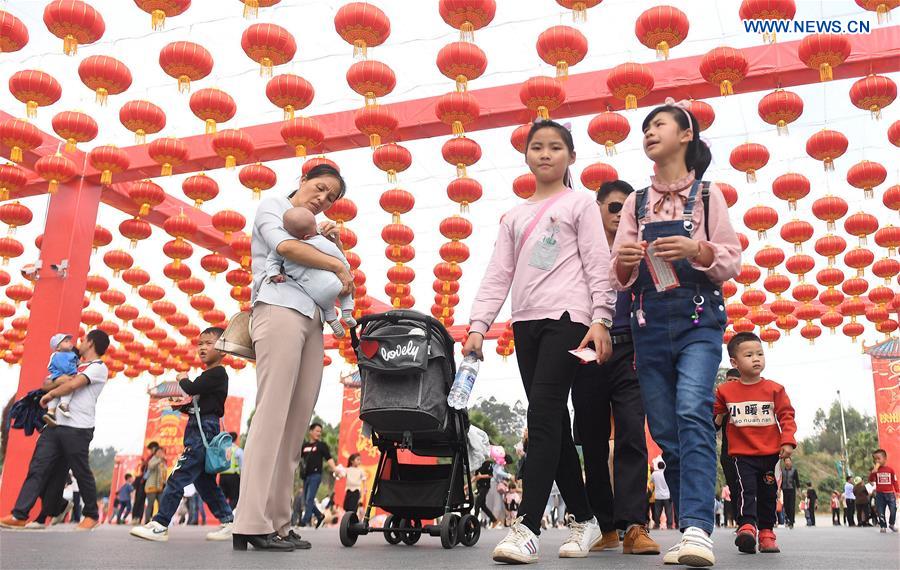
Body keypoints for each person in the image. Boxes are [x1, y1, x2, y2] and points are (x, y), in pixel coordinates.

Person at [463, 118, 616, 564]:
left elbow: (597, 261)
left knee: (544, 410)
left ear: (571, 156)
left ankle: (527, 526)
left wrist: (601, 319)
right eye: (537, 147)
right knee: (553, 421)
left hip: (569, 319)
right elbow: (498, 275)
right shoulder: (513, 215)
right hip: (525, 324)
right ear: (526, 155)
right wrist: (477, 325)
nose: (545, 154)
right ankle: (585, 517)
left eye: (555, 147)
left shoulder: (581, 204)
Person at [610, 99, 740, 567]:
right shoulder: (635, 202)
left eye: (659, 124)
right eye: (645, 127)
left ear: (686, 135)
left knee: (691, 411)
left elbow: (731, 258)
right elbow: (619, 276)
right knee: (665, 431)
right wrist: (623, 263)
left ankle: (697, 528)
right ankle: (691, 524)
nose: (649, 132)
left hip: (698, 322)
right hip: (647, 326)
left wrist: (697, 248)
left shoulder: (709, 195)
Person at [233, 163, 349, 553]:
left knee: (297, 421)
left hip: (313, 319)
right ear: (302, 181)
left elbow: (336, 273)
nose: (323, 199)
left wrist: (336, 250)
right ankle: (249, 521)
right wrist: (335, 262)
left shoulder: (319, 230)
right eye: (320, 188)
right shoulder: (273, 205)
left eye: (331, 197)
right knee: (272, 413)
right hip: (278, 308)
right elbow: (285, 247)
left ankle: (279, 521)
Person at [572, 180, 659, 556]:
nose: (619, 215)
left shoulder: (641, 251)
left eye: (626, 209)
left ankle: (634, 526)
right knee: (591, 440)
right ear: (596, 209)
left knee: (630, 435)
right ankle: (605, 526)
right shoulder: (578, 253)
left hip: (629, 353)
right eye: (612, 207)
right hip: (588, 353)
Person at [130, 327, 234, 543]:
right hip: (201, 426)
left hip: (203, 430)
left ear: (223, 349)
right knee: (204, 482)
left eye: (209, 343)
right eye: (200, 344)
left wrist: (183, 378)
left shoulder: (218, 373)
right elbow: (200, 403)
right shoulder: (210, 376)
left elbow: (192, 387)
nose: (203, 348)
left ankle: (160, 524)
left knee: (179, 475)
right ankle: (228, 521)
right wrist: (180, 407)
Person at [0, 329, 111, 531]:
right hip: (53, 424)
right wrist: (56, 383)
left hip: (78, 428)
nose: (80, 342)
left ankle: (91, 515)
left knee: (80, 470)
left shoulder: (98, 368)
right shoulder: (72, 361)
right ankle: (20, 514)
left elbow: (74, 385)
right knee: (38, 468)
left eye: (84, 339)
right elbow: (46, 383)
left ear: (92, 343)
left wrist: (51, 394)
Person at [715, 332, 796, 555]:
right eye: (749, 355)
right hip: (741, 455)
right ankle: (747, 527)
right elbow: (714, 416)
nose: (756, 358)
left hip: (770, 455)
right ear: (734, 362)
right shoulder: (724, 391)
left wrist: (787, 441)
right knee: (744, 491)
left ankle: (767, 533)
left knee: (769, 495)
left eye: (760, 353)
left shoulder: (775, 389)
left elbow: (786, 416)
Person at [266, 205, 356, 338]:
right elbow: (340, 259)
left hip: (314, 289)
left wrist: (273, 273)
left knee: (327, 307)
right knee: (347, 293)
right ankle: (347, 312)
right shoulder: (322, 242)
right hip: (335, 282)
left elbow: (272, 261)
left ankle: (332, 321)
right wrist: (346, 271)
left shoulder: (285, 245)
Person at [300, 423, 338, 528]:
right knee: (306, 501)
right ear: (310, 432)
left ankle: (304, 521)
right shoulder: (304, 446)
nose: (319, 433)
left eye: (320, 431)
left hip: (316, 475)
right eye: (317, 431)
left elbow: (329, 458)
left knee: (309, 499)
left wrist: (334, 468)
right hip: (305, 476)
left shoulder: (321, 445)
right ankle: (319, 515)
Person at [40, 333, 79, 427]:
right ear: (58, 347)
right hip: (62, 375)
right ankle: (64, 404)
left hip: (57, 377)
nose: (69, 343)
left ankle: (50, 412)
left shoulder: (66, 355)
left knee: (56, 394)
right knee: (68, 389)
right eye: (66, 341)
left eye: (69, 341)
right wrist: (72, 374)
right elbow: (64, 367)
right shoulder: (60, 355)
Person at [717, 368, 741, 524]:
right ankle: (741, 522)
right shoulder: (721, 402)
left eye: (735, 380)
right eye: (729, 380)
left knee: (747, 487)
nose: (731, 383)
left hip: (746, 453)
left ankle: (750, 520)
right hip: (728, 453)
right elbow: (714, 427)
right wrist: (721, 411)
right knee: (733, 487)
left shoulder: (747, 400)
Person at [869, 448, 898, 532]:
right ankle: (883, 526)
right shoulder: (876, 470)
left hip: (890, 494)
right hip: (880, 494)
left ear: (885, 459)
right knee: (880, 510)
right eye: (875, 459)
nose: (877, 461)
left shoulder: (890, 470)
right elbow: (870, 479)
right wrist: (873, 472)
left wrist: (897, 491)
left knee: (893, 510)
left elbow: (894, 481)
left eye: (879, 458)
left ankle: (891, 524)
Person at [131, 441, 160, 525]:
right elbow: (143, 469)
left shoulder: (157, 458)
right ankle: (136, 518)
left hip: (151, 482)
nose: (151, 451)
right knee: (139, 500)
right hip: (143, 481)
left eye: (152, 449)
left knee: (150, 501)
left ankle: (147, 519)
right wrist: (144, 464)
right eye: (151, 449)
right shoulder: (149, 457)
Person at [143, 446, 167, 523]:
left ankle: (160, 522)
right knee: (150, 505)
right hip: (151, 486)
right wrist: (159, 460)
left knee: (162, 504)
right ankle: (147, 521)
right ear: (155, 453)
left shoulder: (163, 462)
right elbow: (150, 466)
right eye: (159, 452)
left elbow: (164, 473)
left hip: (159, 487)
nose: (161, 454)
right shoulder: (153, 459)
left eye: (162, 452)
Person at [218, 433, 242, 510]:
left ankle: (224, 514)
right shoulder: (238, 450)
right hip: (233, 477)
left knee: (222, 497)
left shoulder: (222, 451)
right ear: (235, 439)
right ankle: (228, 513)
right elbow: (242, 465)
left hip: (222, 476)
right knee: (235, 497)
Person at [651, 461, 674, 530]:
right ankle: (669, 525)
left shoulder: (654, 474)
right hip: (667, 495)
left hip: (658, 496)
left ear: (658, 466)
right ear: (664, 466)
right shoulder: (667, 473)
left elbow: (651, 482)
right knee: (669, 512)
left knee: (657, 512)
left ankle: (657, 525)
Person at [473, 460, 498, 526]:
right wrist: (467, 486)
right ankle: (494, 520)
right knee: (483, 506)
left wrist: (481, 476)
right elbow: (475, 477)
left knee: (477, 503)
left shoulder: (488, 463)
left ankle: (474, 522)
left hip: (485, 487)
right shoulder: (477, 465)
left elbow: (490, 475)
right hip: (479, 487)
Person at [342, 453, 367, 517]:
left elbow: (364, 481)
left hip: (356, 491)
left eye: (360, 460)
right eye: (358, 460)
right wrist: (337, 472)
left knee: (354, 508)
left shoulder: (361, 470)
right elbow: (341, 475)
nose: (359, 461)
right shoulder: (347, 469)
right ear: (352, 461)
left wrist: (365, 489)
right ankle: (347, 520)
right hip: (349, 490)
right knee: (346, 506)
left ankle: (352, 521)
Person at [781, 456, 800, 529]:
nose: (787, 462)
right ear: (784, 462)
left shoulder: (794, 470)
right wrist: (779, 490)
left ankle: (791, 522)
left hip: (792, 490)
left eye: (789, 461)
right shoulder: (782, 471)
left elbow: (797, 481)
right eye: (786, 461)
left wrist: (798, 491)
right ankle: (789, 519)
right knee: (786, 506)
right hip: (785, 490)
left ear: (791, 462)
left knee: (791, 506)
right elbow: (781, 481)